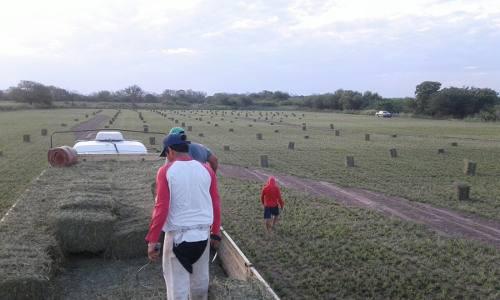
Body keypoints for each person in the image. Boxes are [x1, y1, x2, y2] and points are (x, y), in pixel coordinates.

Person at [146, 133, 221, 300]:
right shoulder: (206, 169)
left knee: (177, 290)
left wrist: (152, 240)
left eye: (166, 154)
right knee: (200, 286)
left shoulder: (165, 171)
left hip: (177, 239)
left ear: (170, 151)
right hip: (202, 237)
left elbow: (161, 207)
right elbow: (215, 202)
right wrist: (216, 231)